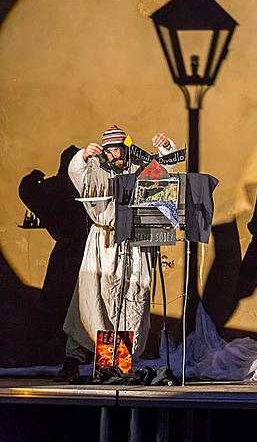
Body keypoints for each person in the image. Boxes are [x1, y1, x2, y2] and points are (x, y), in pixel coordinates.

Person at [55, 125, 176, 381]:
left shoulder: (138, 168)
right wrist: (84, 156)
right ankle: (72, 359)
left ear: (125, 148)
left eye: (118, 149)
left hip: (132, 244)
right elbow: (76, 173)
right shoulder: (94, 169)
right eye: (109, 151)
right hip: (103, 243)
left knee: (130, 298)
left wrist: (165, 147)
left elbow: (166, 175)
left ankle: (118, 364)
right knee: (89, 299)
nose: (114, 156)